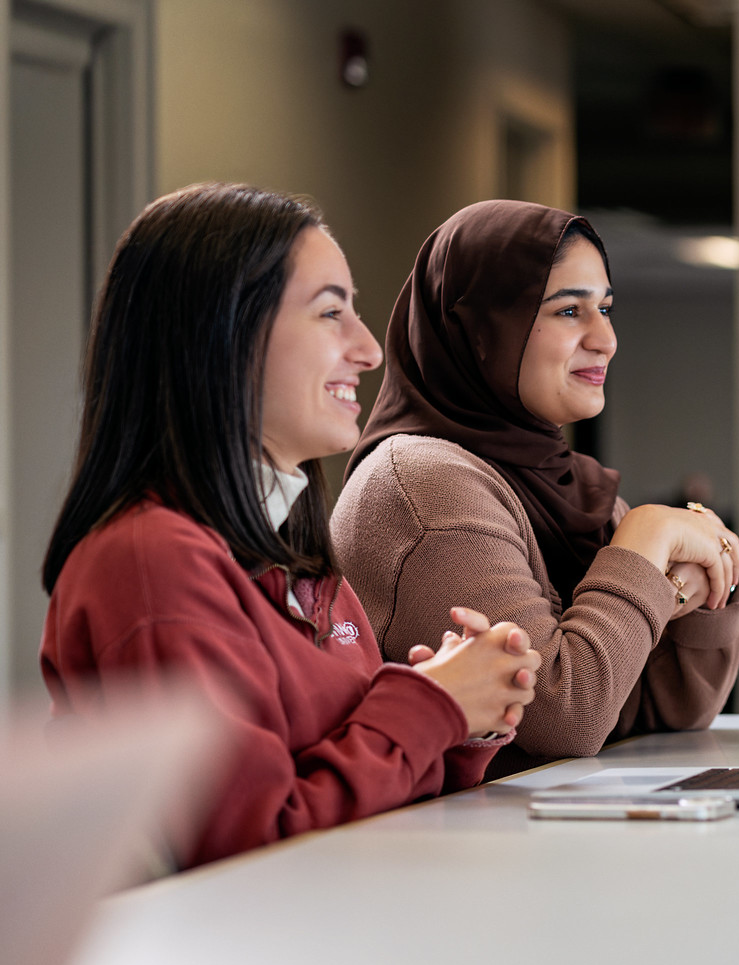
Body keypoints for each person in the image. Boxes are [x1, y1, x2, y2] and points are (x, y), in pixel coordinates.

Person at [41, 183, 541, 868]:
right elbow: (255, 843)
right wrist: (430, 705)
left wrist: (459, 722)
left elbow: (361, 800)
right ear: (220, 335)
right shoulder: (150, 558)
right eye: (330, 312)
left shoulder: (296, 559)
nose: (368, 350)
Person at [332, 201, 739, 777]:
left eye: (605, 307)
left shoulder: (576, 485)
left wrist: (681, 589)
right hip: (451, 854)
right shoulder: (424, 484)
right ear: (478, 331)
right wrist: (648, 546)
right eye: (569, 310)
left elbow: (671, 710)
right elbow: (564, 717)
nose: (606, 339)